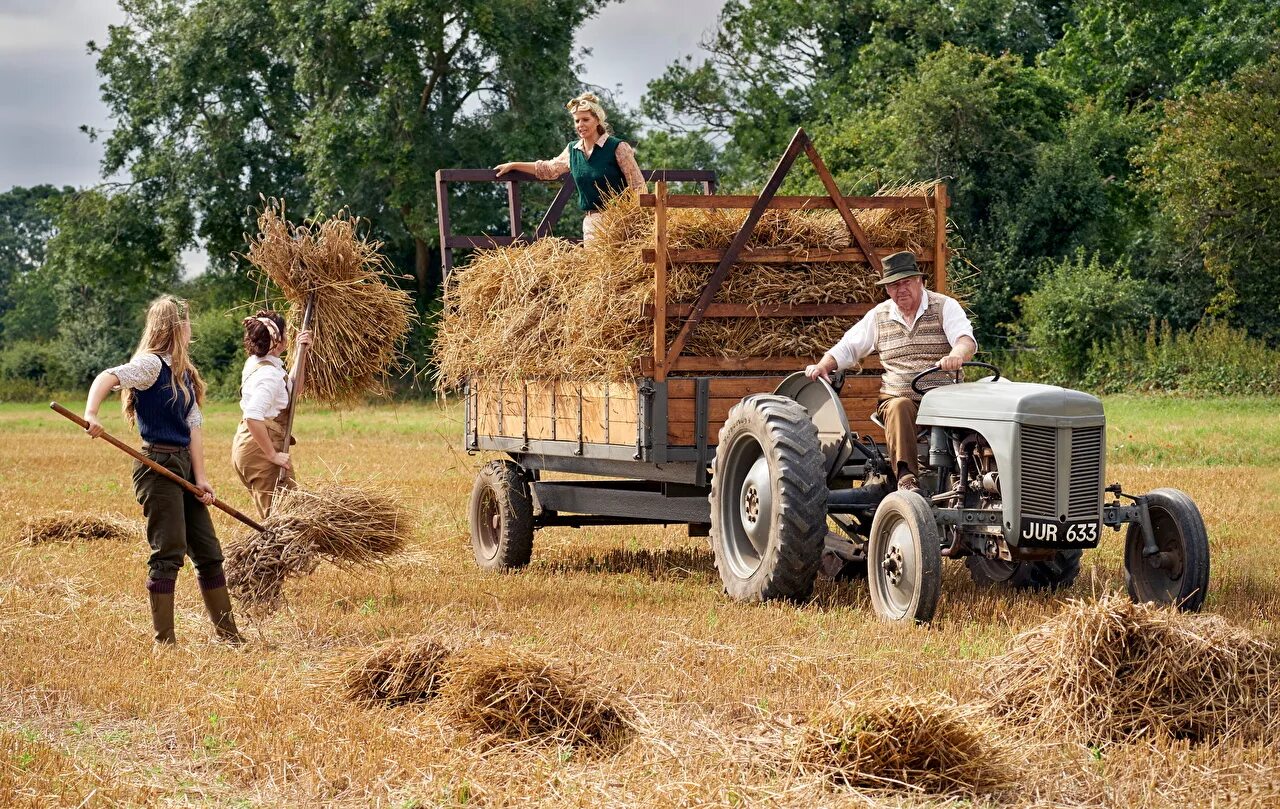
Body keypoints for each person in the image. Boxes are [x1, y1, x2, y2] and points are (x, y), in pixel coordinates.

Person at [82, 295, 243, 645]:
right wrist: (92, 414)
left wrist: (201, 480)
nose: (190, 328)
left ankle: (229, 637)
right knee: (169, 550)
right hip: (156, 466)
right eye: (186, 322)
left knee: (208, 551)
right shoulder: (150, 365)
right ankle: (164, 643)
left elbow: (194, 429)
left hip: (183, 465)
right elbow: (107, 377)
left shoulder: (184, 374)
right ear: (173, 327)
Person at [805, 251, 977, 492]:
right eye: (894, 285)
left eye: (906, 282)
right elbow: (848, 347)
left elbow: (965, 340)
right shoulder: (879, 316)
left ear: (920, 281)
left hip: (944, 399)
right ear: (887, 290)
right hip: (898, 398)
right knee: (900, 406)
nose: (901, 289)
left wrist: (956, 355)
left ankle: (970, 476)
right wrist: (824, 365)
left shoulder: (944, 306)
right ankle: (906, 478)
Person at [494, 92, 646, 242]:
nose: (580, 125)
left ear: (597, 120)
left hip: (620, 223)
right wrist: (514, 165)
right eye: (577, 121)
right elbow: (548, 169)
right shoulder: (573, 150)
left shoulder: (618, 147)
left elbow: (638, 186)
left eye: (585, 119)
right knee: (594, 266)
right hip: (592, 225)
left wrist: (636, 223)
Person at [231, 311, 312, 518]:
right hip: (260, 449)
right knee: (283, 520)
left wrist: (301, 354)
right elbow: (252, 416)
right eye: (285, 332)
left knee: (284, 515)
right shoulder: (268, 376)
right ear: (277, 341)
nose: (288, 335)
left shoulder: (260, 364)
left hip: (251, 444)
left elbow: (293, 390)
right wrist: (272, 455)